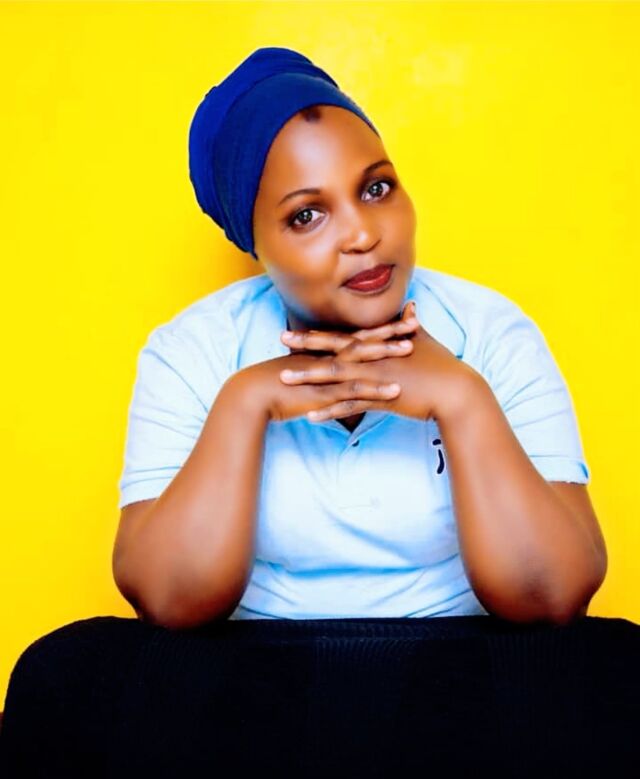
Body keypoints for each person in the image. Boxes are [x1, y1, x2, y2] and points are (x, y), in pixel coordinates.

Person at [112, 47, 607, 628]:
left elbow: (556, 600)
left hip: (456, 652)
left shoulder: (492, 330)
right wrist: (244, 405)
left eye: (376, 188)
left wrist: (462, 401)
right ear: (255, 245)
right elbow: (168, 604)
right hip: (263, 660)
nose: (363, 234)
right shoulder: (191, 349)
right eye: (306, 215)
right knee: (68, 663)